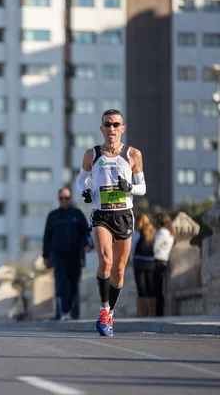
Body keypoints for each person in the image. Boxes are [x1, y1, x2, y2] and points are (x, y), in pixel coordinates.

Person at [76, 109, 146, 336]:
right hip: (101, 215)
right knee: (106, 261)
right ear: (101, 128)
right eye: (108, 125)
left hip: (124, 214)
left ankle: (110, 313)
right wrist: (85, 191)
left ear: (123, 128)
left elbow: (142, 188)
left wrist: (130, 188)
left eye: (116, 125)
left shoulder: (133, 154)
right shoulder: (92, 154)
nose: (112, 129)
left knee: (119, 269)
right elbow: (80, 180)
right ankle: (103, 309)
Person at [42, 187, 93, 322]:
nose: (64, 200)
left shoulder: (77, 214)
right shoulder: (53, 216)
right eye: (61, 198)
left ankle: (73, 313)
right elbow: (47, 237)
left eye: (67, 198)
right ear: (58, 199)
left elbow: (86, 232)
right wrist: (45, 256)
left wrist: (89, 244)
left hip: (75, 255)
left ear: (70, 199)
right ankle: (62, 312)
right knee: (61, 283)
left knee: (74, 284)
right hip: (58, 256)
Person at [131, 214, 157, 317]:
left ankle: (141, 313)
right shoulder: (152, 232)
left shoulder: (137, 233)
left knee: (141, 288)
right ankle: (152, 313)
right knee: (151, 287)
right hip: (151, 262)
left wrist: (131, 259)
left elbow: (132, 248)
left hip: (139, 262)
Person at [153, 211, 175, 316]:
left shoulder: (161, 232)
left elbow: (154, 246)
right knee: (161, 289)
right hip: (164, 260)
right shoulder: (170, 233)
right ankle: (160, 312)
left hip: (157, 260)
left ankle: (158, 313)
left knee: (157, 289)